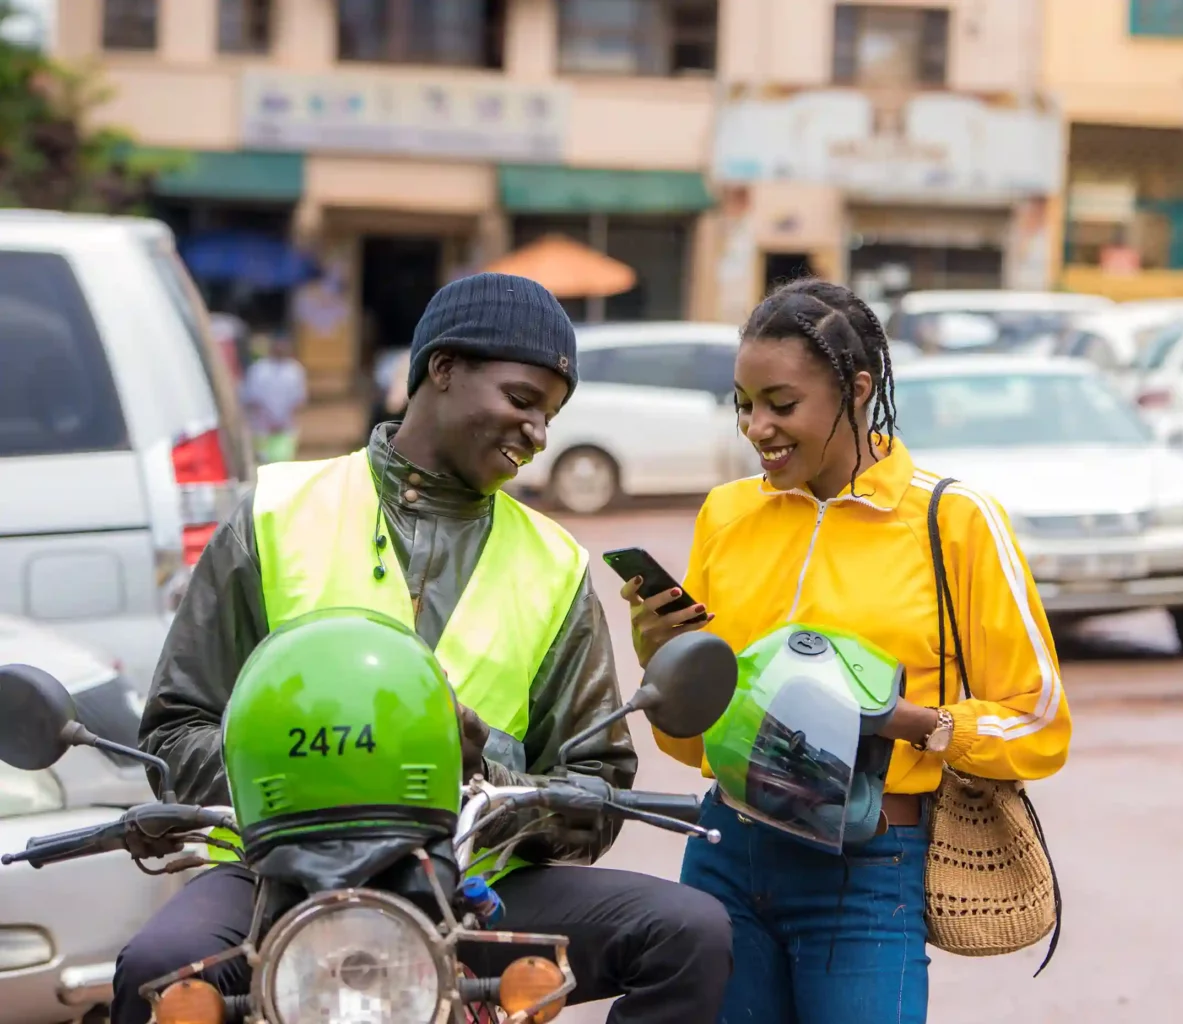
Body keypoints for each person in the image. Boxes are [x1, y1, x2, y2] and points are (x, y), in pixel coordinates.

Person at [114, 273, 732, 1024]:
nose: (538, 434)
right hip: (269, 875)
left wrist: (481, 769)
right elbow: (176, 724)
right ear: (441, 369)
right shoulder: (277, 513)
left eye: (552, 414)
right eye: (522, 400)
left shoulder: (554, 562)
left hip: (473, 886)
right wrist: (304, 779)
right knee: (155, 973)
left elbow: (594, 787)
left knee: (688, 934)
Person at [624, 278, 1072, 1024]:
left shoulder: (953, 521)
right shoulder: (728, 515)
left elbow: (1038, 723)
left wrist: (907, 723)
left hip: (868, 868)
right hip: (724, 853)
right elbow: (692, 746)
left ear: (857, 390)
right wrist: (663, 668)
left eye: (781, 403)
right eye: (743, 403)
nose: (756, 427)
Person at [239, 333, 307, 463]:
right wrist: (268, 419)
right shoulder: (259, 370)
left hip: (285, 428)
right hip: (261, 428)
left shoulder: (295, 370)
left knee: (283, 463)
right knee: (263, 464)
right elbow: (251, 398)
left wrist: (283, 419)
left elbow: (299, 400)